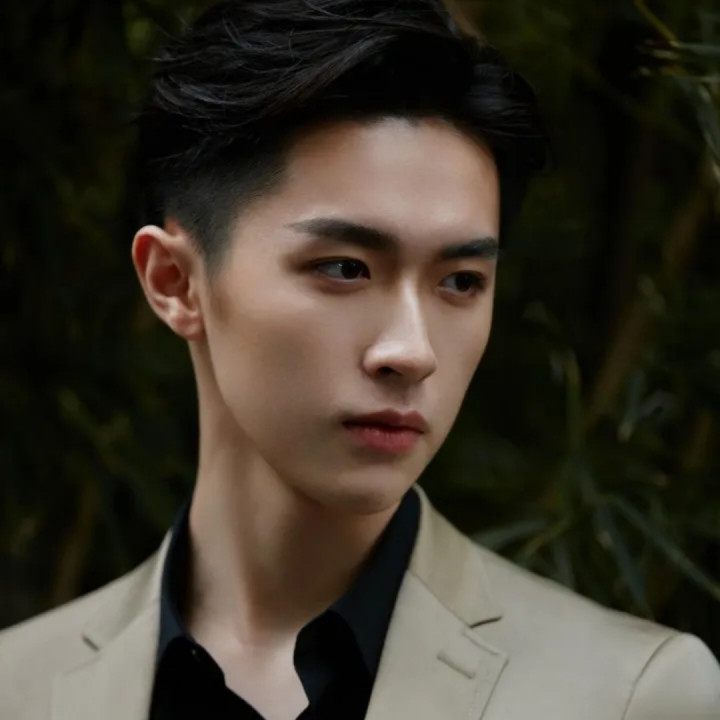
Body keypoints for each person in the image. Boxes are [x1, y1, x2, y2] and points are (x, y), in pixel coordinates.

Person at [1, 1, 719, 718]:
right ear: (176, 283)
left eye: (460, 281)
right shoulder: (18, 688)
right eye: (345, 268)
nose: (412, 351)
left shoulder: (632, 696)